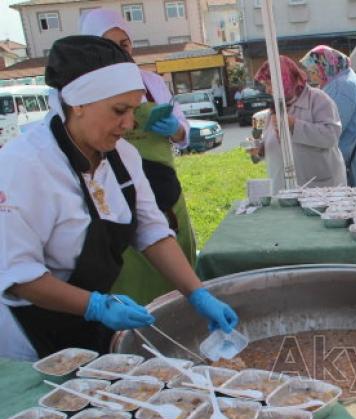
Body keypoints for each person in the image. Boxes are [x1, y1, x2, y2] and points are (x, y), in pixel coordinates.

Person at [0, 35, 238, 361]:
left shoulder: (123, 157)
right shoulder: (22, 166)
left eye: (134, 110)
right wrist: (97, 306)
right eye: (119, 110)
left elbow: (151, 231)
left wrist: (197, 293)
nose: (129, 124)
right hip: (31, 336)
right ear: (78, 104)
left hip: (87, 324)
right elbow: (19, 278)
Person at [80, 9, 196, 305]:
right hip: (115, 206)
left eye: (125, 43)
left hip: (165, 198)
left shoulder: (152, 83)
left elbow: (185, 131)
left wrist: (177, 130)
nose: (129, 123)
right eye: (119, 111)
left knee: (176, 282)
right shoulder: (82, 100)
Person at [250, 56, 346, 194]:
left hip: (320, 190)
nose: (267, 90)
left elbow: (330, 137)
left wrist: (294, 124)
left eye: (269, 85)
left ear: (285, 80)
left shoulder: (318, 99)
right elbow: (273, 143)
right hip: (283, 190)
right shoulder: (276, 107)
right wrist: (260, 150)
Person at [299, 45, 356, 187]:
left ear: (325, 66)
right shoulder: (346, 76)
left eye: (314, 71)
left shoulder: (341, 87)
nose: (311, 76)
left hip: (354, 165)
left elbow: (330, 129)